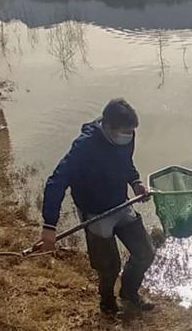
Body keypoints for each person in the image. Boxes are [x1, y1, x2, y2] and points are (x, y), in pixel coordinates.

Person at [40, 98, 155, 315]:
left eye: (131, 132)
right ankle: (107, 302)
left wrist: (136, 182)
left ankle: (129, 292)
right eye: (124, 132)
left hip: (120, 203)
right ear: (108, 127)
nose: (128, 136)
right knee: (108, 266)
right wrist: (49, 225)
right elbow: (57, 181)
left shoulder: (126, 136)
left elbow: (125, 161)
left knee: (145, 252)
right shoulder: (84, 146)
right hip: (95, 211)